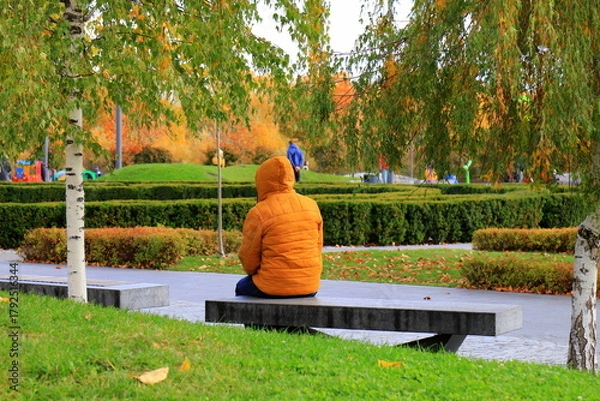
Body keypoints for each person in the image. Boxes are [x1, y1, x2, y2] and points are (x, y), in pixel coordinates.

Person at [235, 156, 324, 298]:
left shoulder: (259, 212)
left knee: (241, 287)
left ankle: (256, 321)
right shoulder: (311, 205)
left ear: (262, 181)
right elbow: (317, 247)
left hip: (271, 286)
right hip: (310, 285)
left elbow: (249, 259)